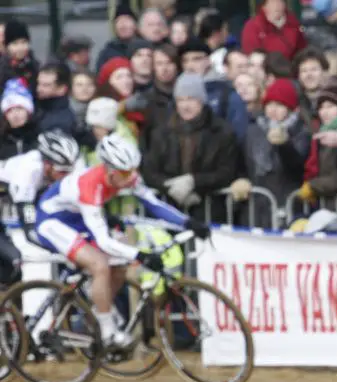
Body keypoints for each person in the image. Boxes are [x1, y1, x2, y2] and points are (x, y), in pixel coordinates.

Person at [33, 135, 210, 348]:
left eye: (135, 169)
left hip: (76, 218)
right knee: (99, 264)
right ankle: (107, 331)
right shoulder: (89, 186)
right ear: (110, 171)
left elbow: (153, 204)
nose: (133, 176)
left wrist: (188, 222)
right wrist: (141, 256)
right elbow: (104, 241)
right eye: (127, 172)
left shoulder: (126, 175)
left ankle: (97, 305)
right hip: (52, 222)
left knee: (120, 264)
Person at [0, 131, 82, 285]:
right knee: (13, 260)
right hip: (13, 203)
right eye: (62, 171)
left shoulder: (58, 170)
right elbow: (29, 222)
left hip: (9, 204)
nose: (66, 176)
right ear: (47, 164)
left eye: (69, 171)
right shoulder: (29, 170)